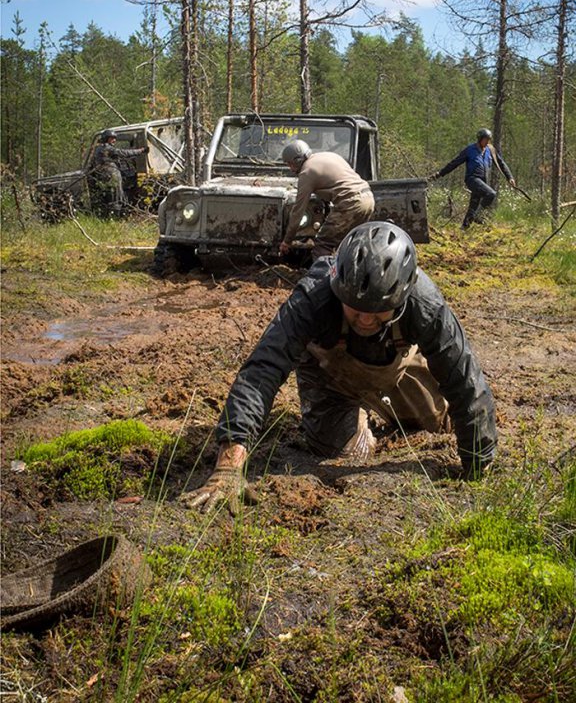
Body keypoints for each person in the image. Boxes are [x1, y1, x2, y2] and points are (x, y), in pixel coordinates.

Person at [183, 221, 497, 514]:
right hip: (330, 375)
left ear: (402, 297)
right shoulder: (313, 296)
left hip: (393, 363)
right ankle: (356, 410)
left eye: (378, 312)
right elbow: (262, 370)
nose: (364, 319)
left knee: (436, 423)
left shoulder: (425, 305)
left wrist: (477, 467)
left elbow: (464, 378)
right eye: (355, 308)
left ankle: (393, 399)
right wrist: (228, 466)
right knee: (341, 450)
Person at [279, 140, 375, 260]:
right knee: (352, 243)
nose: (291, 169)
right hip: (368, 198)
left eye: (290, 164)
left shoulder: (307, 172)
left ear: (297, 161)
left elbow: (298, 211)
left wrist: (287, 241)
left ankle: (321, 277)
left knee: (323, 244)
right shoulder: (329, 156)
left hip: (350, 203)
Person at [429, 128, 516, 229]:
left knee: (473, 205)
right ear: (479, 139)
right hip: (472, 179)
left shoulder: (490, 150)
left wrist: (509, 177)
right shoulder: (470, 150)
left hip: (483, 182)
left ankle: (464, 228)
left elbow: (501, 164)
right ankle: (478, 216)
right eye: (485, 139)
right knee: (491, 194)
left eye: (489, 139)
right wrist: (440, 174)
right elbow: (455, 163)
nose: (487, 141)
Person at [91, 130, 148, 216]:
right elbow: (123, 153)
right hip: (111, 175)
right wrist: (141, 151)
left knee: (115, 195)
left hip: (105, 175)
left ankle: (117, 214)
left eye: (114, 138)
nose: (114, 140)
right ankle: (117, 216)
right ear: (106, 139)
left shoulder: (99, 148)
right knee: (116, 196)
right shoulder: (106, 148)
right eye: (112, 138)